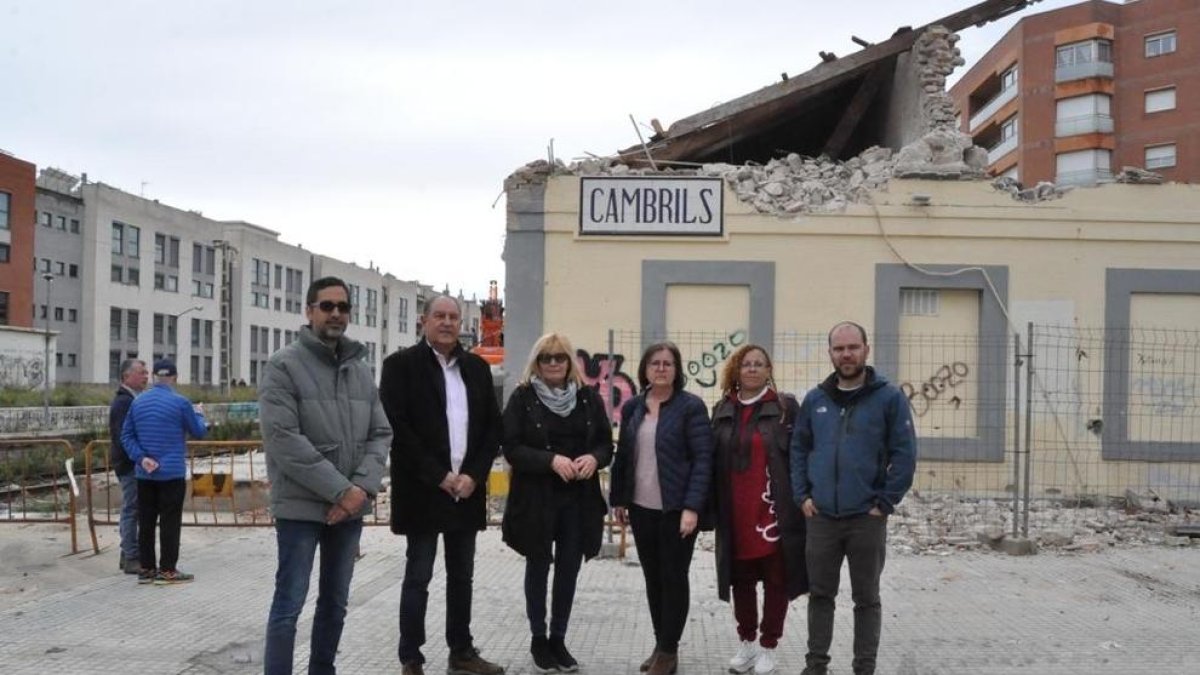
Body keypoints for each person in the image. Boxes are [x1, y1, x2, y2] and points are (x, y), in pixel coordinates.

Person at [259, 276, 393, 675]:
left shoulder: (360, 370)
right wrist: (343, 491)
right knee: (289, 603)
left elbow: (380, 432)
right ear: (309, 311)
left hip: (349, 507)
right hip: (300, 508)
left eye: (343, 307)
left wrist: (361, 489)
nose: (336, 313)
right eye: (327, 306)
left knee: (335, 602)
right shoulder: (283, 366)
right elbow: (283, 440)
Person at [379, 295, 505, 675]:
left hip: (465, 491)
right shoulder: (400, 366)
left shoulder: (477, 369)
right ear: (424, 320)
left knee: (462, 576)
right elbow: (398, 428)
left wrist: (473, 475)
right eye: (440, 316)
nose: (447, 322)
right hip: (423, 490)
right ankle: (411, 658)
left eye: (453, 316)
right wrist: (440, 475)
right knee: (418, 576)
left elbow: (491, 429)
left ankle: (462, 652)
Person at [790, 322, 917, 675]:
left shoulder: (888, 398)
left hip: (866, 518)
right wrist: (802, 496)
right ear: (830, 353)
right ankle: (816, 665)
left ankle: (864, 667)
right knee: (820, 595)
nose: (846, 354)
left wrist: (884, 502)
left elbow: (904, 455)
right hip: (822, 517)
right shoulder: (816, 399)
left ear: (866, 349)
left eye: (852, 347)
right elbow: (799, 449)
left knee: (866, 598)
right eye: (839, 348)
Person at [501, 333, 613, 673]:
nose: (553, 363)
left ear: (570, 363)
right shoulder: (523, 398)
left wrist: (594, 459)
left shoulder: (588, 399)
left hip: (578, 500)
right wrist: (550, 460)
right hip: (536, 499)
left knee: (569, 568)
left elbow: (606, 445)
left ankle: (558, 638)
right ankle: (538, 638)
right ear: (537, 362)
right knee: (538, 566)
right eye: (546, 357)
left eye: (559, 357)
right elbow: (512, 447)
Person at [609, 341, 713, 675]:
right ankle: (661, 644)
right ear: (645, 369)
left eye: (668, 363)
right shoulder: (634, 408)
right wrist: (619, 499)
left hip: (677, 511)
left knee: (674, 577)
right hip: (641, 507)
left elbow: (702, 460)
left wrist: (692, 507)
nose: (661, 368)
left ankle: (668, 651)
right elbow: (623, 455)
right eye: (655, 363)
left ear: (677, 369)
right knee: (653, 579)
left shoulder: (691, 407)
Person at [711, 344, 807, 675]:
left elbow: (801, 454)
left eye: (759, 364)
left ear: (769, 370)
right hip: (735, 513)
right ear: (736, 370)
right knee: (742, 581)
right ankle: (747, 643)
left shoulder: (785, 407)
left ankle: (769, 646)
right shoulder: (723, 409)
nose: (752, 369)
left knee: (776, 581)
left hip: (773, 512)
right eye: (746, 364)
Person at [120, 358, 207, 585]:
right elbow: (198, 432)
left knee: (146, 522)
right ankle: (168, 570)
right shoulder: (181, 403)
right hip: (172, 473)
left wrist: (141, 457)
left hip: (144, 474)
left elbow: (126, 436)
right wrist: (199, 413)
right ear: (175, 378)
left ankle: (147, 570)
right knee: (170, 521)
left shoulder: (137, 403)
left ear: (155, 377)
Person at [108, 358, 148, 575]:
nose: (146, 376)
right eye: (141, 372)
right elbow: (124, 437)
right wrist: (140, 458)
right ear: (126, 376)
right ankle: (132, 556)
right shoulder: (124, 403)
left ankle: (129, 553)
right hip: (130, 464)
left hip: (134, 463)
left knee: (135, 509)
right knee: (132, 509)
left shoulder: (133, 400)